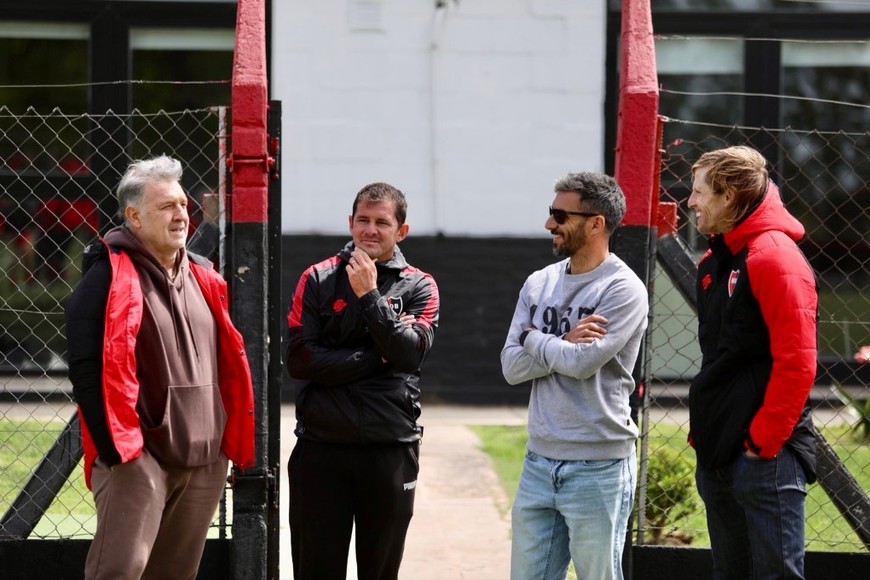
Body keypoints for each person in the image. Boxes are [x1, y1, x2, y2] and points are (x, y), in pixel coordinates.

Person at [64, 155, 255, 580]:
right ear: (134, 215)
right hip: (139, 458)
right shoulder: (106, 276)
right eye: (166, 206)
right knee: (119, 571)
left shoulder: (205, 274)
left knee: (175, 575)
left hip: (204, 458)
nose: (181, 214)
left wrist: (221, 447)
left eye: (183, 204)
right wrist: (120, 456)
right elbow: (86, 369)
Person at [285, 181, 440, 580]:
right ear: (350, 223)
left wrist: (369, 295)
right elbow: (301, 360)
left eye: (382, 222)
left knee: (381, 571)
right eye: (363, 220)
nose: (370, 230)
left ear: (400, 231)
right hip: (321, 450)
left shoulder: (420, 285)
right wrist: (379, 356)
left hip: (390, 449)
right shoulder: (317, 278)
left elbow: (408, 354)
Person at [501, 171, 648, 580]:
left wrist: (533, 338)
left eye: (559, 215)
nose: (550, 224)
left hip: (598, 467)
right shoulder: (539, 282)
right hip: (538, 461)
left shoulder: (622, 289)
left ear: (595, 223)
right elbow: (511, 367)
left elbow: (583, 365)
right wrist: (562, 340)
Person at [688, 145, 818, 579]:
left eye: (699, 191)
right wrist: (706, 434)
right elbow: (719, 359)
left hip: (765, 458)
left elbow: (797, 363)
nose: (690, 201)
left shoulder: (775, 258)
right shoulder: (714, 261)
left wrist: (762, 445)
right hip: (720, 452)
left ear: (728, 196)